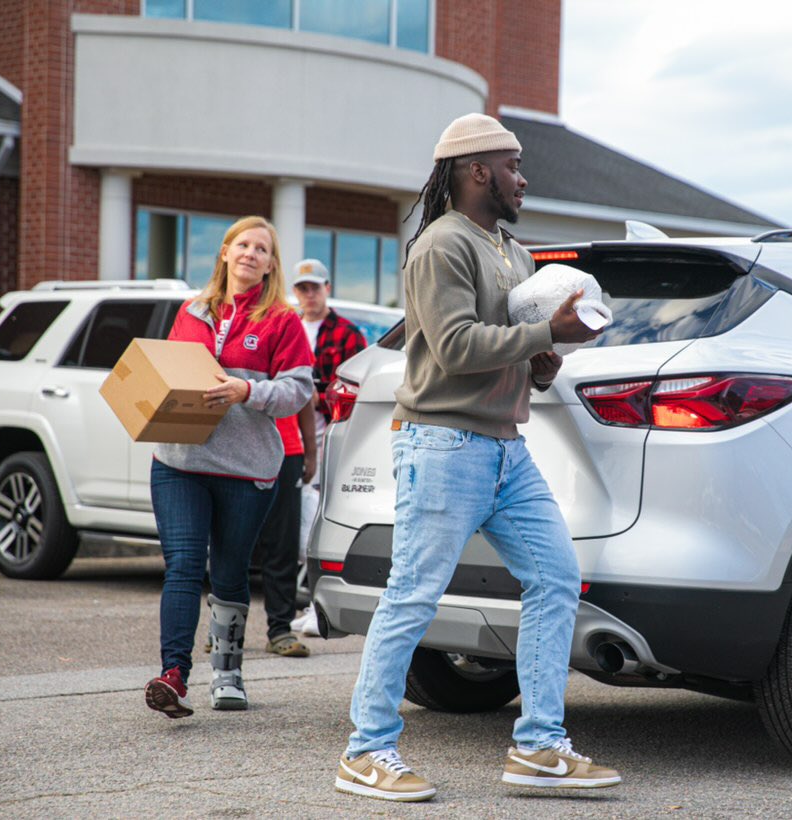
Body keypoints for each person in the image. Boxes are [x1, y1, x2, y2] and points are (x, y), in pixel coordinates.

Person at [334, 113, 621, 802]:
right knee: (414, 596)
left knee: (556, 580)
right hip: (442, 443)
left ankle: (539, 747)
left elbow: (523, 362)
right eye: (515, 167)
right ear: (479, 171)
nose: (524, 180)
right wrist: (540, 331)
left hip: (505, 450)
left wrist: (548, 356)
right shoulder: (441, 246)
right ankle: (365, 752)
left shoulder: (515, 254)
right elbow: (457, 347)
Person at [143, 215, 313, 718]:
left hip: (246, 468)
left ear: (270, 265)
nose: (251, 254)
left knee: (231, 571)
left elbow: (299, 390)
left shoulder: (281, 321)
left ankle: (228, 673)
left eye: (262, 249)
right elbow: (168, 370)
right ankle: (174, 675)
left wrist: (250, 391)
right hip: (181, 461)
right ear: (224, 252)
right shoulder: (192, 312)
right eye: (243, 244)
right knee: (184, 566)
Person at [289, 259, 368, 636]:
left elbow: (355, 388)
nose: (309, 295)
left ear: (327, 287)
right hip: (287, 440)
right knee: (293, 528)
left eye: (314, 287)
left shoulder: (348, 333)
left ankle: (315, 607)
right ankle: (301, 605)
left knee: (316, 524)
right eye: (302, 288)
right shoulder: (288, 329)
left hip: (330, 440)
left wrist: (309, 396)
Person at [256, 400, 317, 657]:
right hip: (234, 454)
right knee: (230, 542)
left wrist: (310, 452)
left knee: (283, 543)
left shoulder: (292, 357)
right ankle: (222, 630)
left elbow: (303, 397)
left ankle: (280, 629)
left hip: (287, 450)